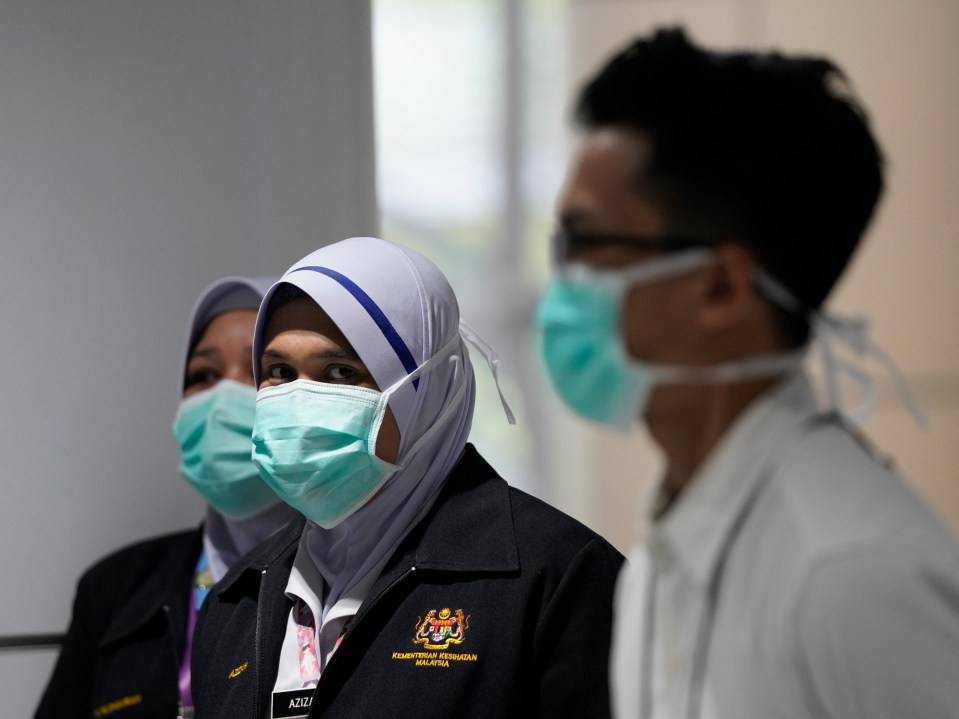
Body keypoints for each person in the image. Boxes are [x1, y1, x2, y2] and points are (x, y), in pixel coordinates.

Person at [535, 27, 959, 719]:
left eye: (583, 242)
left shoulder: (848, 571)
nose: (559, 279)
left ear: (721, 288)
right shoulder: (658, 557)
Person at [191, 236, 624, 718]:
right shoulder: (238, 597)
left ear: (429, 390)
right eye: (279, 371)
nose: (299, 401)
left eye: (339, 372)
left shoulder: (557, 577)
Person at [36, 276, 300, 719]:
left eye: (263, 372)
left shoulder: (352, 583)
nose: (222, 398)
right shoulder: (117, 589)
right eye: (204, 376)